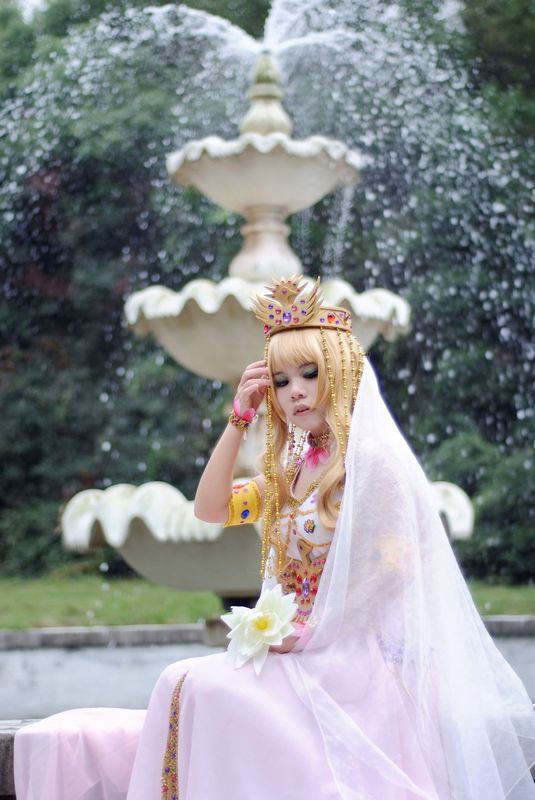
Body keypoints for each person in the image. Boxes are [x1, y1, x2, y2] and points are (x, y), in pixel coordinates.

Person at [15, 275, 535, 799]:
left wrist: (313, 630)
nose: (296, 392)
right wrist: (239, 418)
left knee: (205, 686)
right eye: (281, 381)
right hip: (298, 652)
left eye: (310, 374)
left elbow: (396, 572)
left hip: (352, 659)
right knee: (180, 678)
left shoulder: (373, 465)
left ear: (341, 373)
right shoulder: (292, 470)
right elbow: (210, 508)